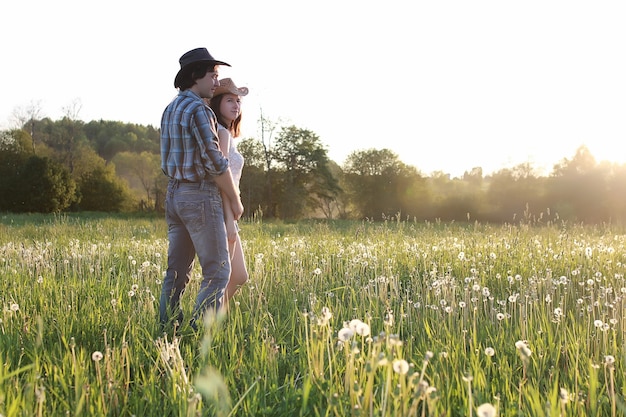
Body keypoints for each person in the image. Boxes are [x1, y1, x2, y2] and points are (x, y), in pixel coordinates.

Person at [159, 47, 244, 330]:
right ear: (196, 76)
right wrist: (235, 199)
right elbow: (215, 162)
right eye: (213, 75)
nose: (216, 82)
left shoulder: (171, 108)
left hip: (174, 194)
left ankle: (167, 328)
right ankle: (198, 333)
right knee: (218, 272)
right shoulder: (199, 109)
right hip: (199, 195)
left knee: (177, 272)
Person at [207, 78, 250, 306]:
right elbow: (220, 179)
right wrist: (229, 221)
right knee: (230, 277)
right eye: (229, 100)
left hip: (228, 212)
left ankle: (214, 325)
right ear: (217, 103)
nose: (236, 105)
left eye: (238, 101)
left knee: (237, 276)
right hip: (223, 212)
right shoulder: (222, 134)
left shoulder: (228, 135)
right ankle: (209, 324)